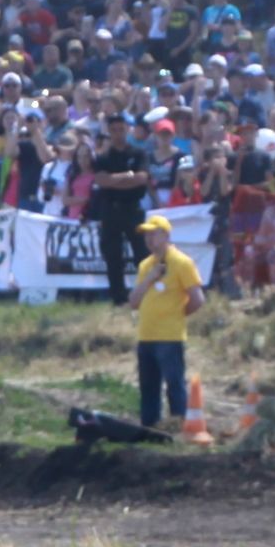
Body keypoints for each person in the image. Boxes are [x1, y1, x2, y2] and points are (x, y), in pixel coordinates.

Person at [132, 213, 207, 431]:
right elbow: (134, 301)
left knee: (174, 385)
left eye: (153, 234)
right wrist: (149, 279)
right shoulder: (146, 265)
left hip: (170, 336)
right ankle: (149, 427)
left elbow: (197, 299)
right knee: (148, 386)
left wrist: (176, 315)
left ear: (165, 235)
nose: (148, 239)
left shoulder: (182, 262)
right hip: (146, 335)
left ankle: (179, 425)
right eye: (146, 235)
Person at [89, 112, 153, 304]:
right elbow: (101, 181)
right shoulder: (103, 157)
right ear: (109, 131)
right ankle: (118, 298)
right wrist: (127, 176)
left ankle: (146, 295)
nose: (118, 133)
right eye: (114, 130)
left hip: (132, 208)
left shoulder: (138, 153)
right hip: (110, 210)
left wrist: (114, 180)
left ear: (128, 129)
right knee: (112, 256)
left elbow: (142, 179)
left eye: (121, 129)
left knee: (141, 254)